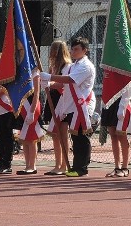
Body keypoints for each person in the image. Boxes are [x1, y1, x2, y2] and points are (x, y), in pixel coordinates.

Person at [41, 36, 96, 177]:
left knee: (82, 137)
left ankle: (81, 168)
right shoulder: (74, 65)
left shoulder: (85, 65)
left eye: (76, 49)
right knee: (76, 138)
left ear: (85, 50)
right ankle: (76, 167)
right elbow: (63, 84)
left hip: (82, 104)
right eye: (72, 49)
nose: (73, 51)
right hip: (72, 105)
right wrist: (49, 84)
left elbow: (70, 80)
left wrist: (49, 77)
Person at [43, 40, 71, 175]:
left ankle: (65, 165)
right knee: (55, 134)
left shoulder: (67, 66)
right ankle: (57, 164)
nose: (52, 53)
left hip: (62, 100)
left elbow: (63, 84)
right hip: (53, 99)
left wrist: (50, 83)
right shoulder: (52, 66)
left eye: (54, 50)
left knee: (63, 134)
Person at [101, 83, 131, 178]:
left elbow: (128, 85)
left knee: (121, 135)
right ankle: (117, 167)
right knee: (113, 135)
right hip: (109, 101)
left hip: (121, 101)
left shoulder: (124, 68)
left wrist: (123, 105)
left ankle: (125, 167)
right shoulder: (108, 69)